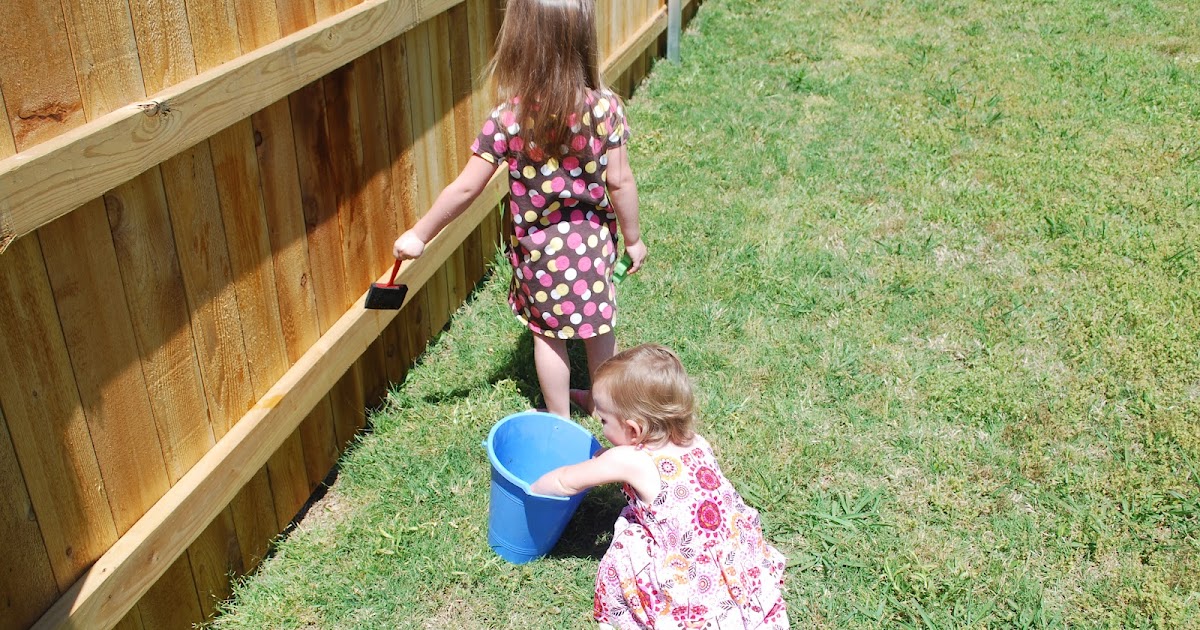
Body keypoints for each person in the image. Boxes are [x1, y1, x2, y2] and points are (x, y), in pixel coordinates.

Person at [393, 0, 646, 419]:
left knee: (548, 336)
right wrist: (633, 240)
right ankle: (606, 408)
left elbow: (467, 187)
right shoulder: (606, 109)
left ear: (520, 43)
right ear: (584, 38)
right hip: (594, 246)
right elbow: (620, 181)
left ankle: (559, 421)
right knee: (599, 327)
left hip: (539, 253)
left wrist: (419, 234)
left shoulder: (508, 119)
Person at [531, 344, 789, 629]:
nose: (600, 426)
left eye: (604, 419)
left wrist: (531, 488)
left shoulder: (630, 459)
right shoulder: (694, 440)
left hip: (689, 576)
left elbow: (564, 482)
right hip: (734, 557)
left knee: (630, 539)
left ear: (634, 430)